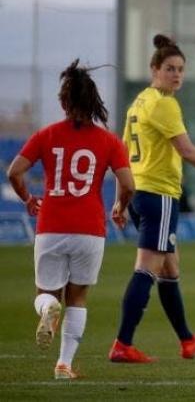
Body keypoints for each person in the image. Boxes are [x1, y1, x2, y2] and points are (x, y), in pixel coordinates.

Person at [109, 34, 195, 363]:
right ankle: (122, 343)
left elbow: (123, 154)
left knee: (170, 268)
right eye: (170, 68)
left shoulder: (139, 101)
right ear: (154, 69)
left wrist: (121, 200)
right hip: (159, 196)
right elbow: (186, 150)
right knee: (146, 269)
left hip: (140, 193)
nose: (177, 75)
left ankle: (187, 340)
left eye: (181, 69)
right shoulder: (164, 104)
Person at [6, 60, 135, 379]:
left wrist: (27, 198)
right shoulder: (108, 141)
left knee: (44, 294)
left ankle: (48, 309)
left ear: (63, 102)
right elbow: (129, 183)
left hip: (51, 225)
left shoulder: (46, 135)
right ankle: (63, 365)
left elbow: (14, 172)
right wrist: (119, 205)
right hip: (90, 230)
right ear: (93, 101)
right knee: (78, 297)